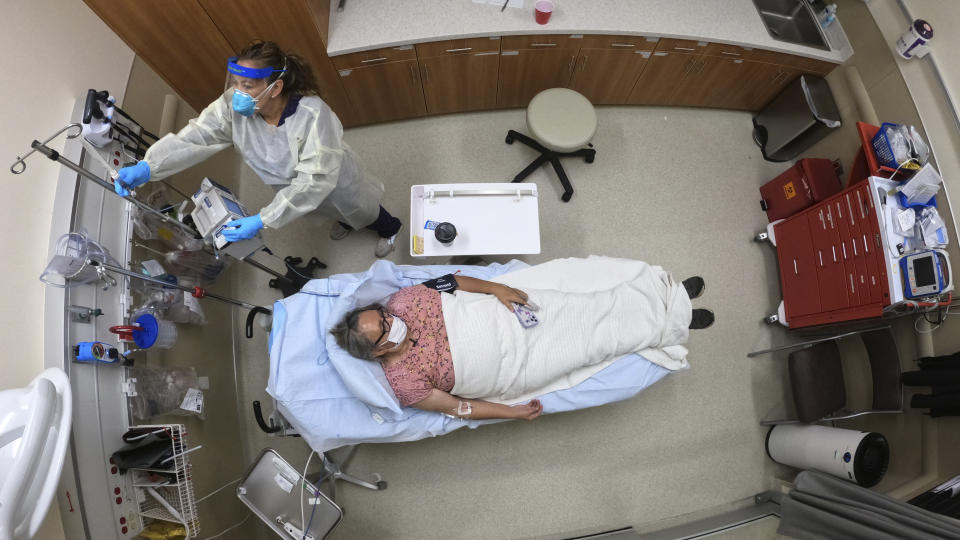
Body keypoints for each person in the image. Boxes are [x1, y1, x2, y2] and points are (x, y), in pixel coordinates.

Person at [113, 40, 402, 257]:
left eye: (248, 85)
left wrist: (264, 219)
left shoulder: (314, 116)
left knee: (358, 207)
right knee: (325, 211)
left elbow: (314, 180)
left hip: (334, 181)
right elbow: (198, 136)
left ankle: (391, 229)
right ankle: (346, 222)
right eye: (237, 83)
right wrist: (150, 165)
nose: (238, 93)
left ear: (275, 88)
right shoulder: (233, 106)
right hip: (289, 186)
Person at [330, 269, 713, 421]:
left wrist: (497, 288)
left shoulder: (403, 302)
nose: (390, 321)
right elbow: (455, 407)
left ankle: (668, 297)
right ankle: (672, 325)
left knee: (585, 306)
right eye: (382, 329)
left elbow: (455, 283)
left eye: (381, 315)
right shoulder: (403, 381)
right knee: (594, 343)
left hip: (497, 316)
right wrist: (509, 412)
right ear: (377, 351)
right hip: (511, 365)